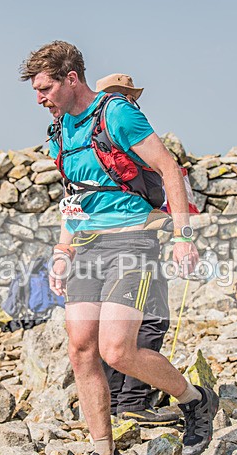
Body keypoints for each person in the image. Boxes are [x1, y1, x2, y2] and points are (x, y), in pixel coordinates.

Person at [20, 41, 218, 455]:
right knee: (81, 350)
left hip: (133, 241)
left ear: (72, 78)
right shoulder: (59, 129)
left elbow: (169, 169)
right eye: (35, 90)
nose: (39, 98)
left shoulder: (118, 114)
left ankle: (194, 400)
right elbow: (75, 198)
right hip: (87, 247)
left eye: (45, 87)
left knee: (116, 350)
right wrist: (62, 250)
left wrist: (184, 236)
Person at [93, 72, 178, 426]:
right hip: (136, 237)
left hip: (95, 239)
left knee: (110, 321)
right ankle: (135, 401)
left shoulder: (84, 133)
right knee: (153, 317)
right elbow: (163, 174)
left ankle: (111, 401)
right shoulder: (125, 124)